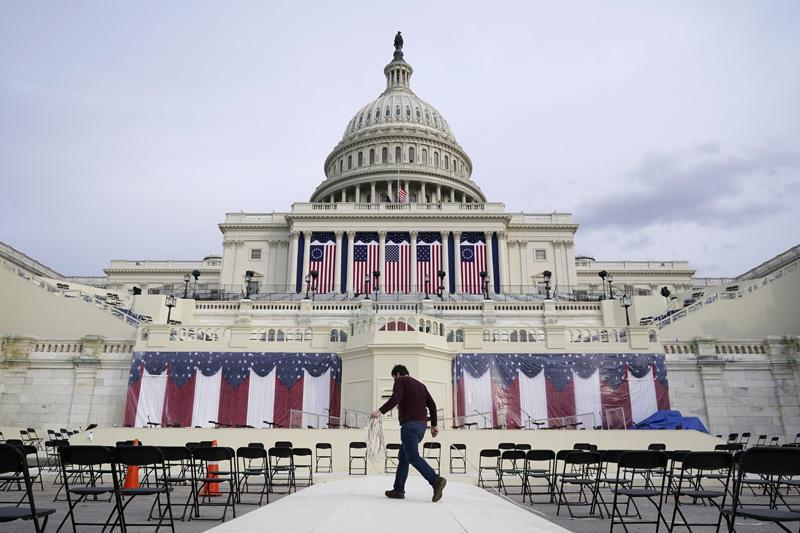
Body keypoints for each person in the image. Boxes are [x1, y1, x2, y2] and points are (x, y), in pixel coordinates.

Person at [371, 364, 446, 502]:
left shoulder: (400, 381)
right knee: (403, 457)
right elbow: (432, 405)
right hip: (422, 427)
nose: (394, 380)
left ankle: (435, 480)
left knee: (412, 456)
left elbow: (395, 398)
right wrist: (434, 425)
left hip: (409, 426)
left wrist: (380, 411)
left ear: (397, 374)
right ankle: (398, 490)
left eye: (394, 378)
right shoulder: (421, 385)